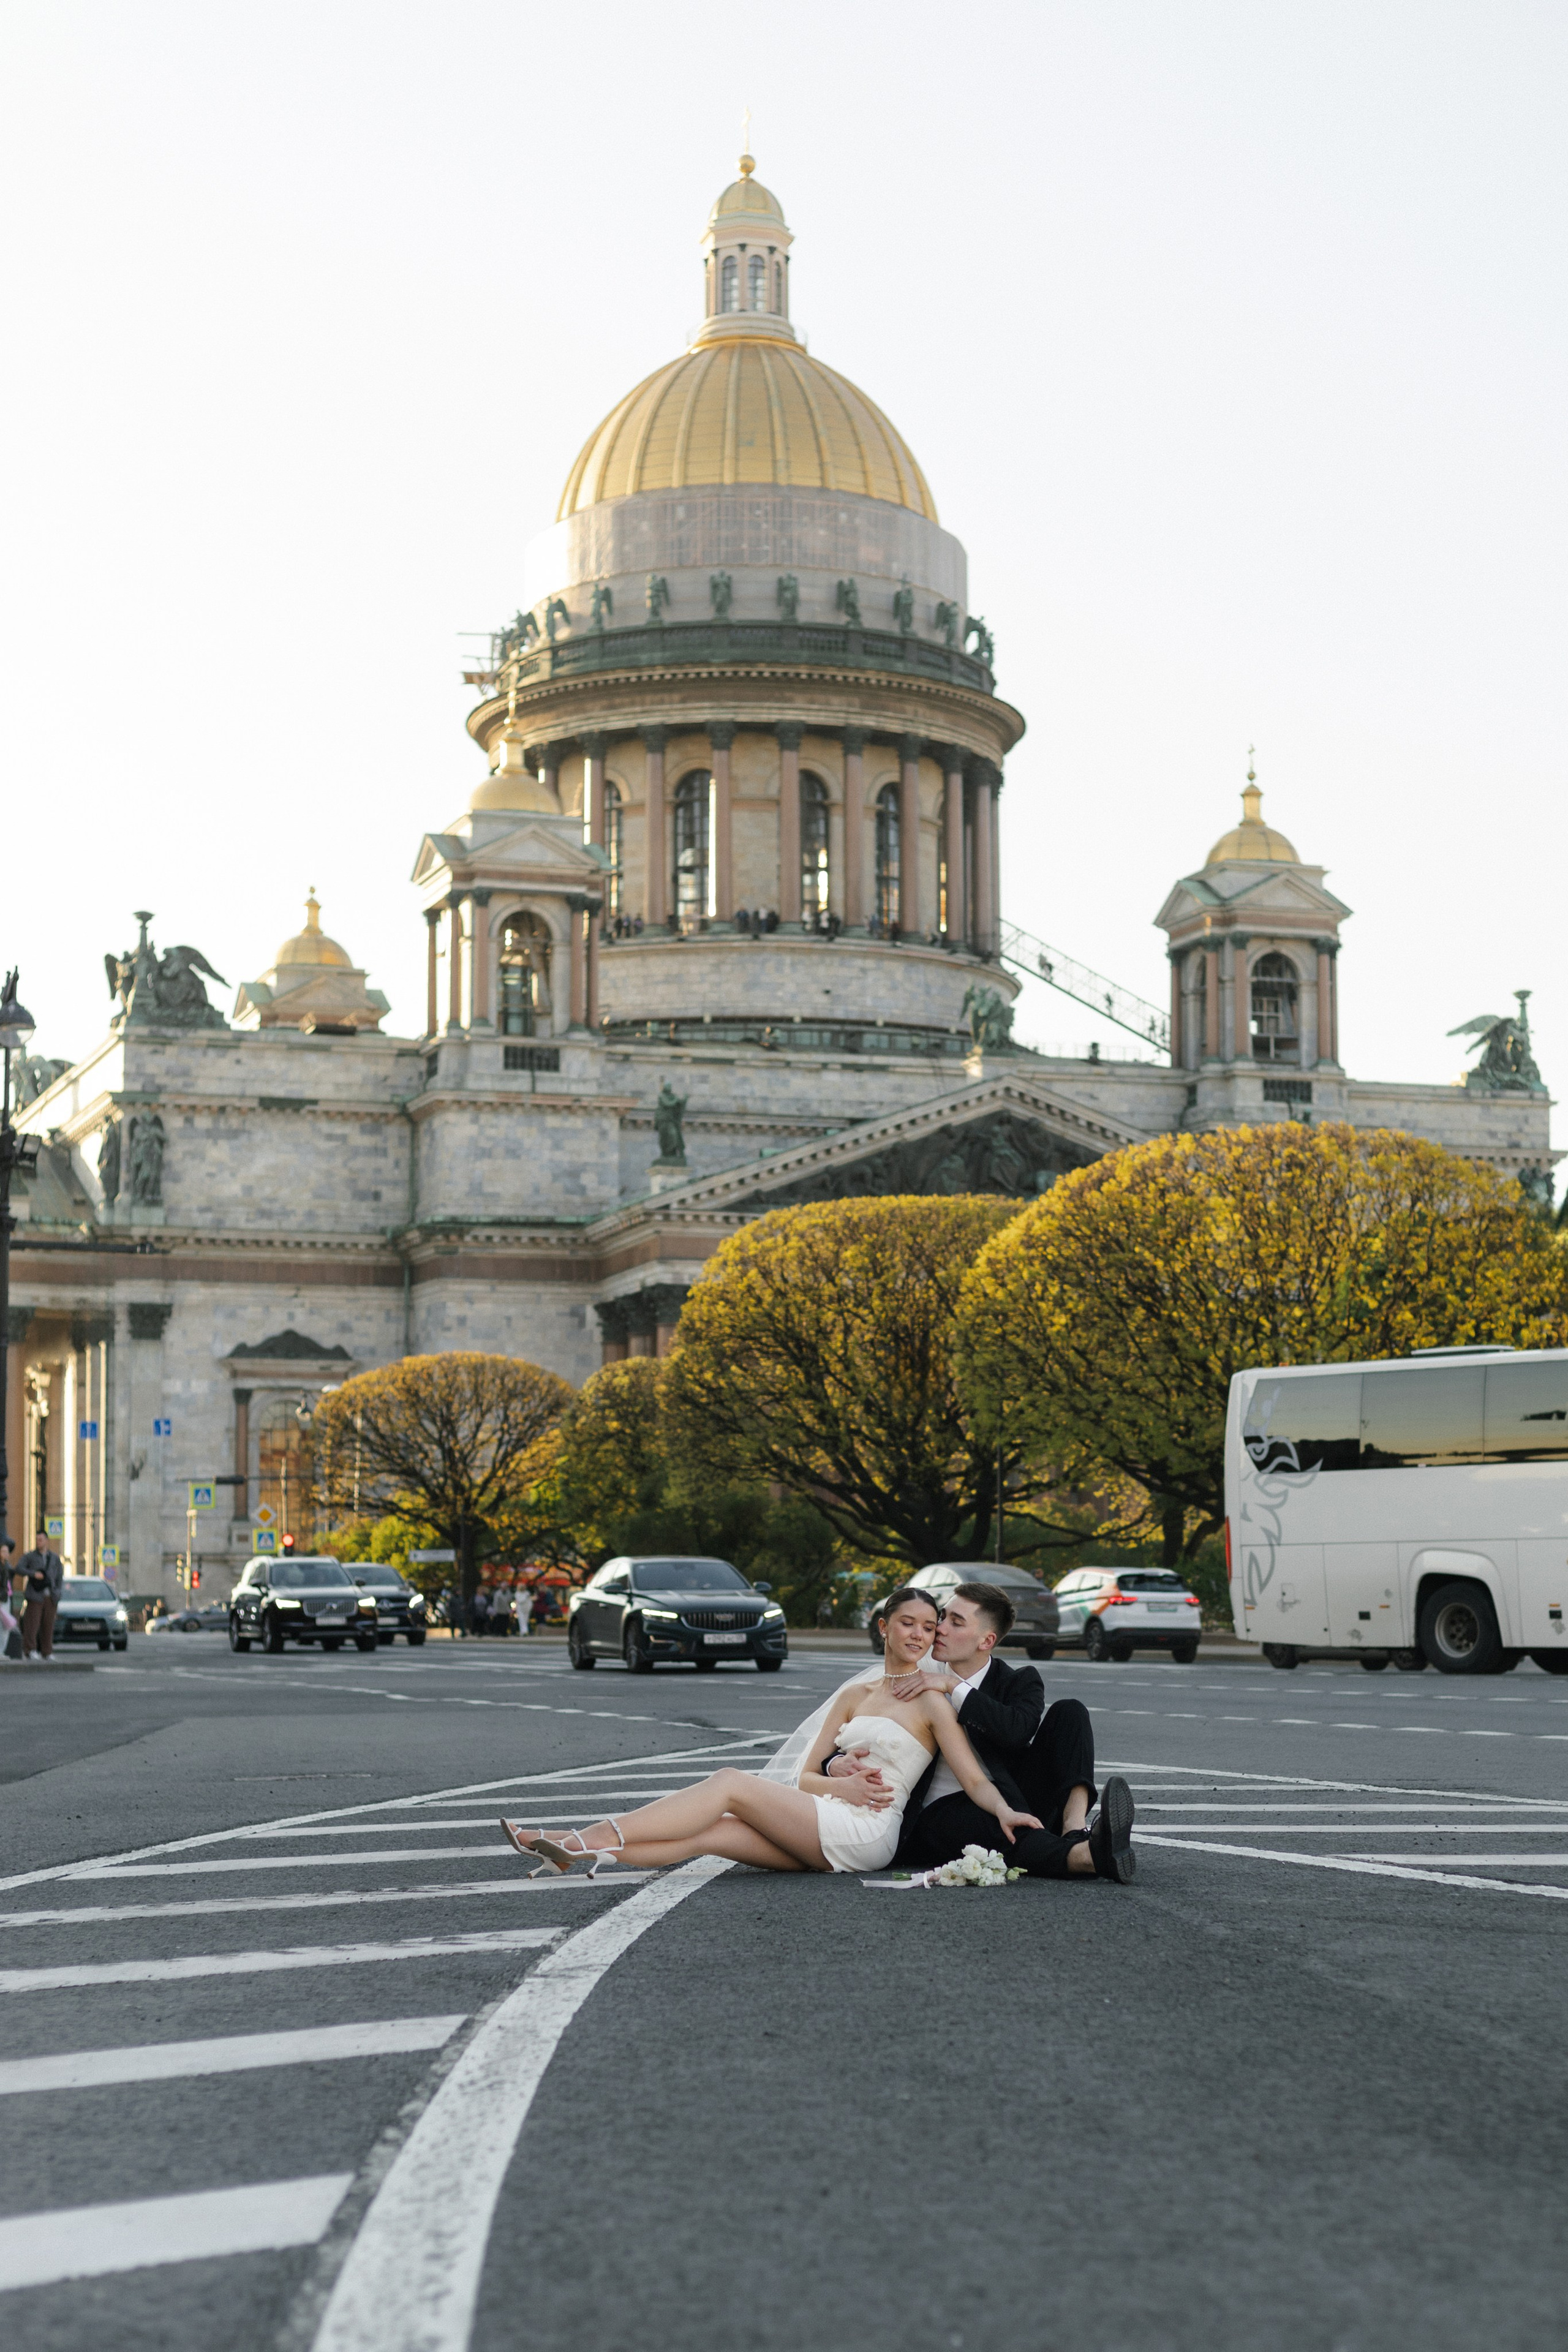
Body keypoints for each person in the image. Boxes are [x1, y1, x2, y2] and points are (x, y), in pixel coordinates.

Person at [498, 1586, 1044, 1875]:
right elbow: (805, 1777)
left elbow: (973, 1780)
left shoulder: (931, 1699)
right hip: (832, 1810)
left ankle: (575, 1837)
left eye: (931, 1628)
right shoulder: (854, 1695)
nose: (921, 1635)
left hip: (870, 1831)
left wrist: (1005, 1811)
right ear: (884, 1627)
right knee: (711, 1834)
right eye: (908, 1623)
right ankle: (579, 1857)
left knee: (731, 1782)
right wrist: (843, 1785)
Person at [826, 1580, 1134, 1883]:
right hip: (940, 1811)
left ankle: (1074, 1829)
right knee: (998, 1829)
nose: (940, 1628)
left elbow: (1015, 1733)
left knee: (1071, 1712)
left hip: (1010, 1793)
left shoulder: (1017, 1681)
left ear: (986, 1642)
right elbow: (873, 1728)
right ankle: (1085, 1857)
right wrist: (834, 1763)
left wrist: (954, 1688)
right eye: (944, 1616)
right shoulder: (918, 1675)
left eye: (956, 1622)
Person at [18, 1528, 64, 1663]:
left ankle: (47, 1652)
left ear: (47, 1541)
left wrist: (58, 1592)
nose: (39, 1542)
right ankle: (30, 1650)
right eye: (37, 1540)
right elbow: (19, 1568)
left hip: (51, 1597)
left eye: (41, 1540)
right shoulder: (30, 1556)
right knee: (32, 1625)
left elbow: (60, 1576)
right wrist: (33, 1574)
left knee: (48, 1625)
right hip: (35, 1596)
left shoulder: (54, 1558)